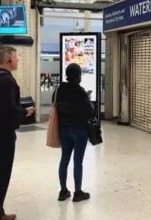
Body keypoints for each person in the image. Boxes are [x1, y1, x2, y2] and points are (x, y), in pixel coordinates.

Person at [0, 46, 34, 220]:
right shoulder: (6, 80)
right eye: (16, 57)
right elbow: (9, 111)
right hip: (2, 133)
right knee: (1, 175)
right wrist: (25, 113)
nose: (18, 60)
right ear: (8, 59)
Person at [53, 63, 95, 202]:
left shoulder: (59, 90)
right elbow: (89, 112)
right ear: (78, 76)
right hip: (80, 131)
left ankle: (63, 191)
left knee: (64, 159)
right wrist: (89, 102)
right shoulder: (80, 91)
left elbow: (56, 106)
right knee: (78, 161)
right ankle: (78, 193)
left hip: (64, 129)